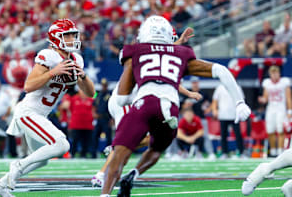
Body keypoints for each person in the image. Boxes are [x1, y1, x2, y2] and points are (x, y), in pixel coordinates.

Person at [100, 15, 251, 197]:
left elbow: (123, 99)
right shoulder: (181, 52)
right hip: (170, 108)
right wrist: (240, 102)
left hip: (145, 103)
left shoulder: (135, 51)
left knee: (119, 154)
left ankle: (105, 194)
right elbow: (221, 70)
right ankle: (134, 174)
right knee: (156, 149)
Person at [0, 18, 95, 197]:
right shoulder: (49, 56)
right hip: (28, 112)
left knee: (42, 159)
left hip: (40, 115)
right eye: (67, 35)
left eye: (72, 35)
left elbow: (91, 93)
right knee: (61, 144)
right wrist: (53, 72)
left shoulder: (76, 59)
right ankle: (17, 166)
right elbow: (28, 86)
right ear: (56, 38)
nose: (71, 39)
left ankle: (0, 185)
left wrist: (83, 76)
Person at [258, 65, 292, 156]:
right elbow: (266, 97)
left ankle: (280, 151)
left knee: (281, 129)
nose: (274, 75)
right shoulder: (267, 83)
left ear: (279, 73)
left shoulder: (284, 82)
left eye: (276, 73)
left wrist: (289, 111)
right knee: (270, 130)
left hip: (281, 108)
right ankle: (273, 151)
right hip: (271, 108)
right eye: (272, 73)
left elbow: (288, 97)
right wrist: (262, 99)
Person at [211, 83, 245, 159]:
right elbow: (215, 100)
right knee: (223, 135)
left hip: (234, 115)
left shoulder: (237, 87)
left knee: (238, 135)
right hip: (223, 115)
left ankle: (241, 152)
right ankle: (224, 153)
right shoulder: (219, 88)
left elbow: (241, 100)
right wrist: (214, 110)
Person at [69, 89, 94, 158]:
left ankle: (84, 154)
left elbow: (93, 109)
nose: (83, 92)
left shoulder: (91, 99)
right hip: (76, 124)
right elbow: (70, 109)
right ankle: (72, 153)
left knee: (85, 141)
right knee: (75, 140)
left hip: (87, 124)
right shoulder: (74, 99)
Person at [92, 78, 112, 159]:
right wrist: (94, 113)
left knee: (108, 137)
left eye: (105, 85)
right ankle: (93, 153)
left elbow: (112, 107)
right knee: (95, 136)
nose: (103, 87)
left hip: (106, 118)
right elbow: (94, 105)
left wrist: (112, 119)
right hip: (99, 118)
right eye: (102, 85)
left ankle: (108, 153)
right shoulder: (98, 94)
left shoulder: (110, 94)